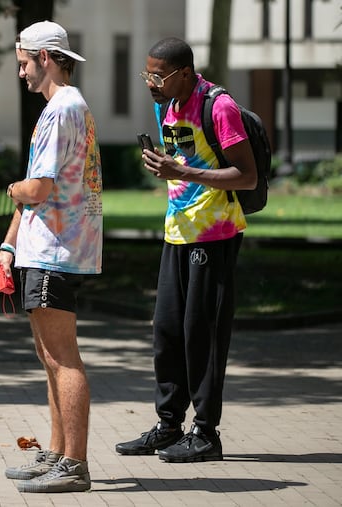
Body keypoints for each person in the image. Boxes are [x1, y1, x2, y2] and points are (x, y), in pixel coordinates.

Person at [115, 37, 257, 463]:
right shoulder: (167, 106)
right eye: (147, 75)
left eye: (158, 76)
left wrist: (182, 170)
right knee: (167, 331)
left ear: (184, 72)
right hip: (177, 230)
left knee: (203, 334)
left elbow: (246, 176)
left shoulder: (219, 107)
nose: (151, 84)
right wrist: (167, 166)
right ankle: (169, 424)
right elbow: (183, 164)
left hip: (214, 235)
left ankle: (206, 432)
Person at [0, 20, 102, 494]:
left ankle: (73, 463)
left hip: (57, 250)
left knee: (62, 356)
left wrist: (13, 187)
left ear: (46, 57)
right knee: (49, 356)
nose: (21, 73)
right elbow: (36, 198)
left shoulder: (62, 109)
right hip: (45, 245)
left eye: (23, 64)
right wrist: (9, 246)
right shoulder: (63, 107)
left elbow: (37, 188)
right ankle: (56, 454)